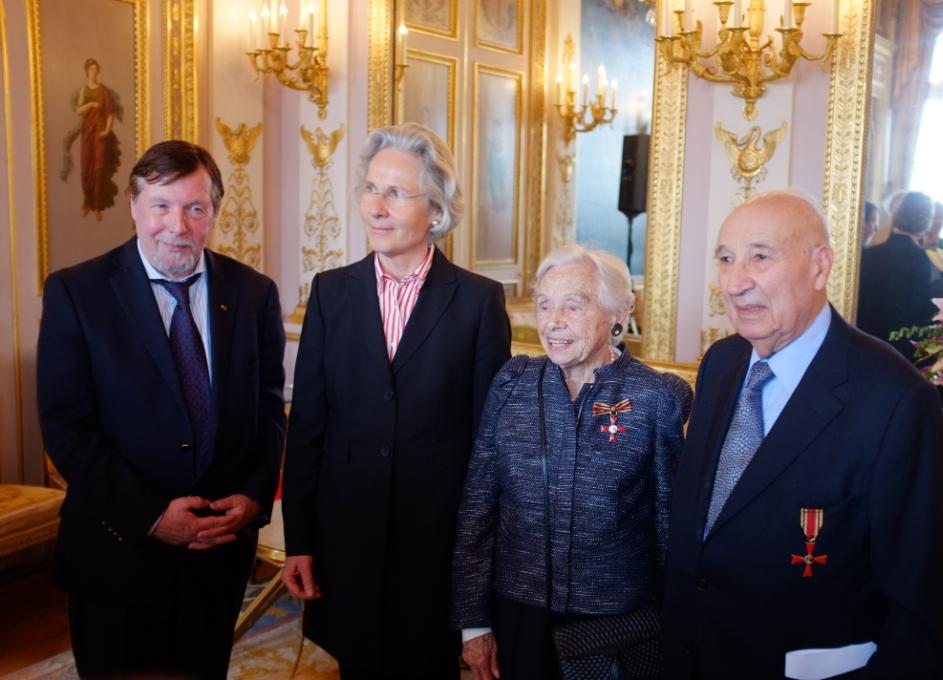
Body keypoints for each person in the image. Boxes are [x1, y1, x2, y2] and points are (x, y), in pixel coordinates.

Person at [659, 190, 943, 679]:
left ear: (820, 267)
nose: (735, 283)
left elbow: (919, 609)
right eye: (726, 260)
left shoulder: (895, 399)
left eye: (760, 257)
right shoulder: (722, 362)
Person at [37, 140, 287, 678]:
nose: (177, 225)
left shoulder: (253, 293)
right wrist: (152, 516)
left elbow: (269, 411)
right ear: (133, 207)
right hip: (115, 552)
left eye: (195, 208)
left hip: (216, 558)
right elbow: (66, 428)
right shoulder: (77, 293)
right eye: (161, 205)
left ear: (214, 212)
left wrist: (252, 495)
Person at [282, 122, 512, 680]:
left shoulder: (479, 302)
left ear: (435, 210)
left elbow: (490, 448)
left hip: (435, 548)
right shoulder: (331, 292)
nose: (375, 207)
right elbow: (309, 426)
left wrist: (479, 578)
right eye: (369, 188)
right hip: (347, 537)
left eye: (395, 193)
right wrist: (300, 540)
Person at [453, 245, 692, 680]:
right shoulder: (513, 385)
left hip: (615, 625)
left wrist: (679, 627)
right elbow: (478, 508)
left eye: (572, 305)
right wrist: (474, 623)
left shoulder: (655, 398)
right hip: (519, 616)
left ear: (619, 312)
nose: (552, 321)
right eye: (544, 305)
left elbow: (669, 528)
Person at [857, 191, 936, 361]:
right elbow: (918, 308)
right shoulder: (920, 258)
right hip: (899, 349)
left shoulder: (869, 254)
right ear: (926, 222)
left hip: (864, 341)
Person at [61, 58, 123, 221]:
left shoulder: (104, 91)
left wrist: (107, 131)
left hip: (101, 133)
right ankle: (87, 203)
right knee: (87, 167)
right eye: (90, 69)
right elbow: (79, 111)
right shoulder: (84, 90)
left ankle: (97, 206)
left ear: (98, 71)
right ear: (86, 72)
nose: (93, 72)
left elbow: (110, 114)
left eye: (95, 69)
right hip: (87, 133)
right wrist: (90, 105)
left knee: (99, 168)